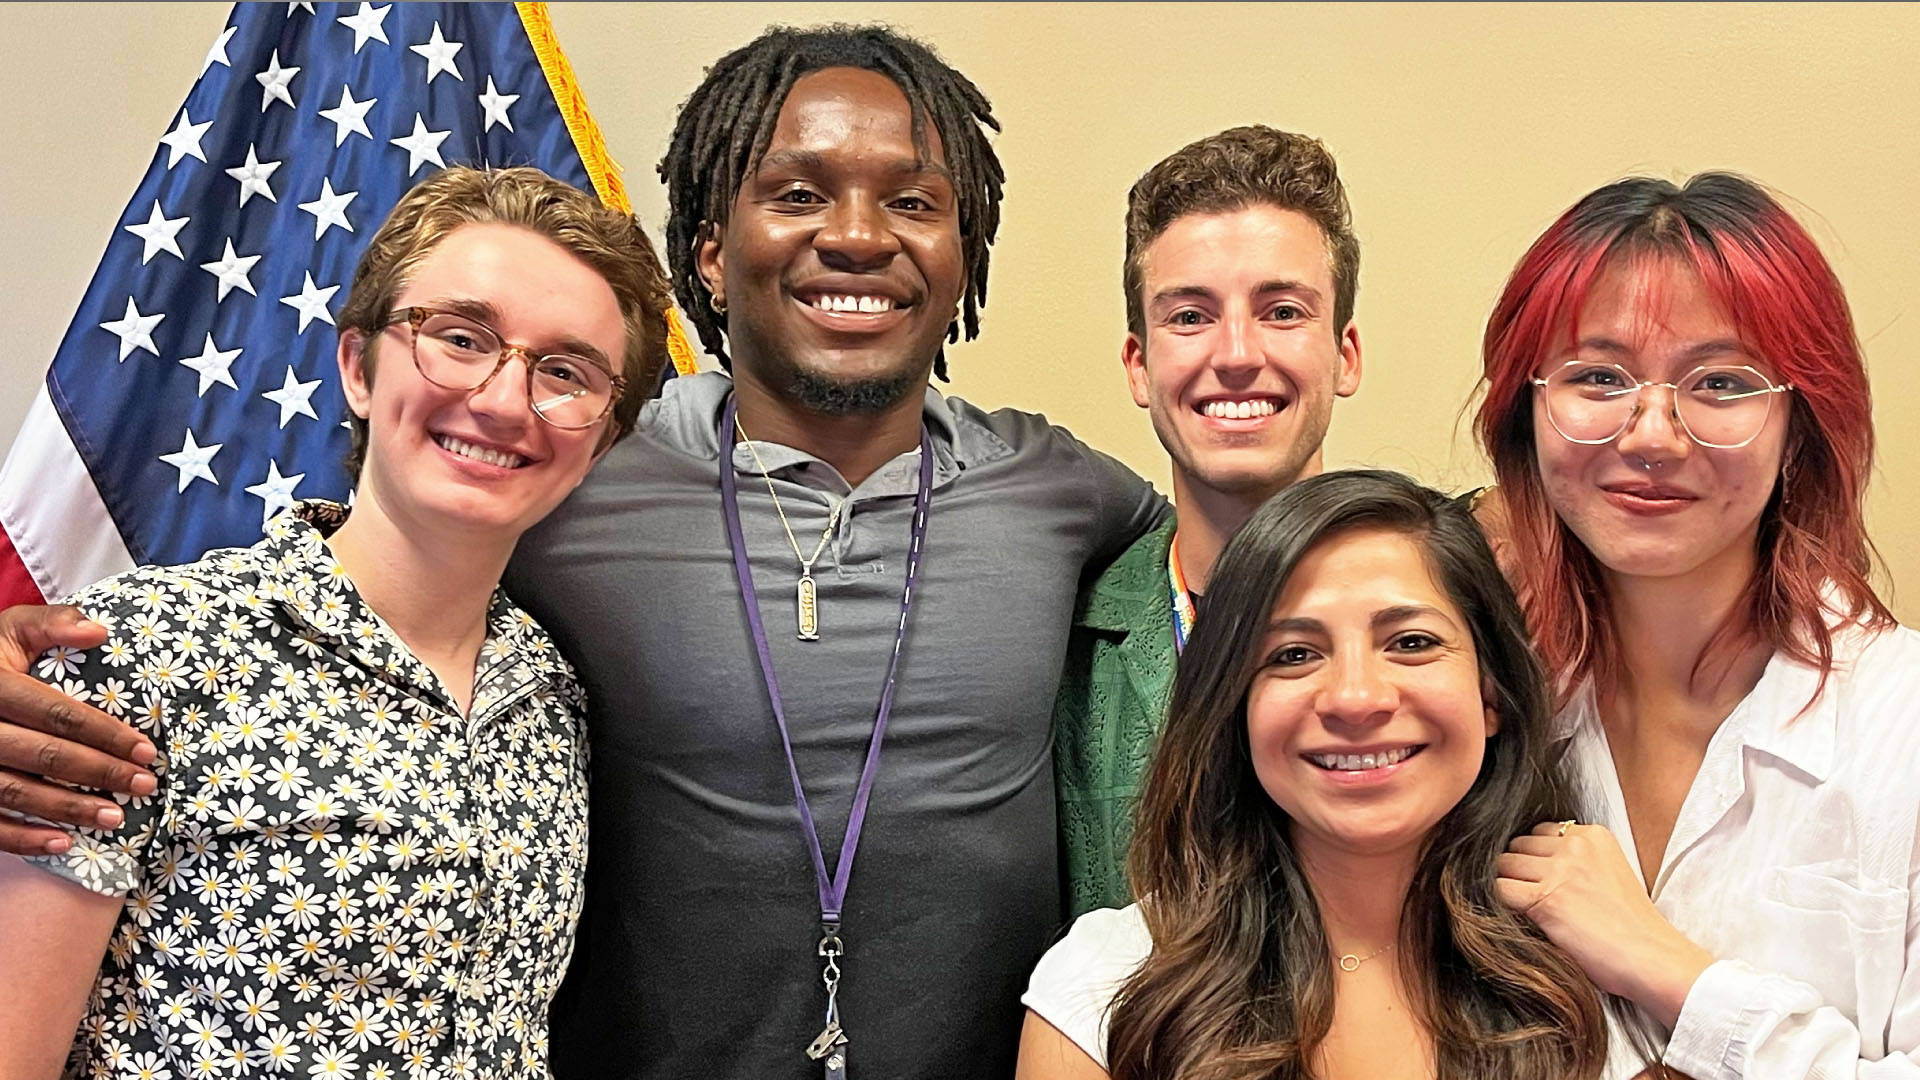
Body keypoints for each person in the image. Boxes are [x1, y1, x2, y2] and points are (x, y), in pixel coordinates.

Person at [0, 24, 1165, 1079]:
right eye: (798, 192)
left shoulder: (1064, 491)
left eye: (914, 203)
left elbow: (1235, 585)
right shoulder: (582, 472)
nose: (856, 236)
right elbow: (373, 542)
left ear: (965, 252)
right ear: (710, 255)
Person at [0, 165, 674, 1079]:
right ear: (359, 366)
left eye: (564, 371)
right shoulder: (142, 654)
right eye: (460, 337)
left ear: (602, 438)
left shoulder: (556, 698)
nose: (505, 400)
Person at [1476, 173, 1919, 1078]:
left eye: (1720, 383)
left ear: (1802, 424)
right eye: (1597, 377)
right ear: (1526, 411)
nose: (1652, 434)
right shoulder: (1479, 716)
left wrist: (1677, 974)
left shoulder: (1901, 724)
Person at [1020, 469, 1609, 1079]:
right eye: (1293, 654)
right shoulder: (1104, 987)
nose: (1355, 698)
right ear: (1234, 708)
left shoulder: (1589, 966)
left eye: (1410, 643)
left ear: (1491, 694)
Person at [1055, 125, 1363, 917]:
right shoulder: (1063, 648)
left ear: (1346, 354)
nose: (1235, 353)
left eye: (1283, 310)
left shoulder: (1452, 602)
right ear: (1139, 364)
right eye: (1189, 317)